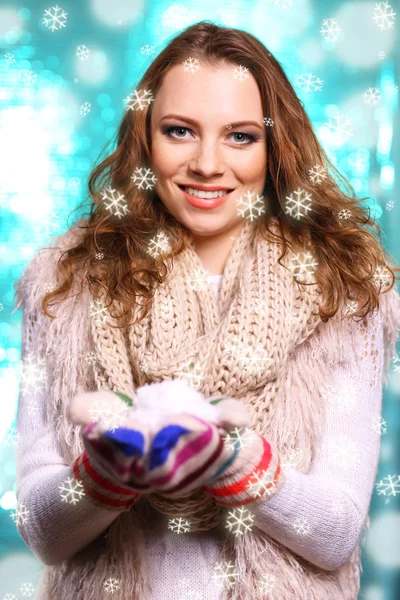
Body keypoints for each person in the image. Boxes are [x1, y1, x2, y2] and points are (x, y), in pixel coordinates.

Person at [13, 20, 400, 600]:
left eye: (240, 136)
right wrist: (106, 475)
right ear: (146, 137)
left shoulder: (341, 287)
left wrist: (227, 460)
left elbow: (337, 532)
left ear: (276, 146)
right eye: (179, 131)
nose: (207, 165)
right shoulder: (68, 278)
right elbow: (45, 535)